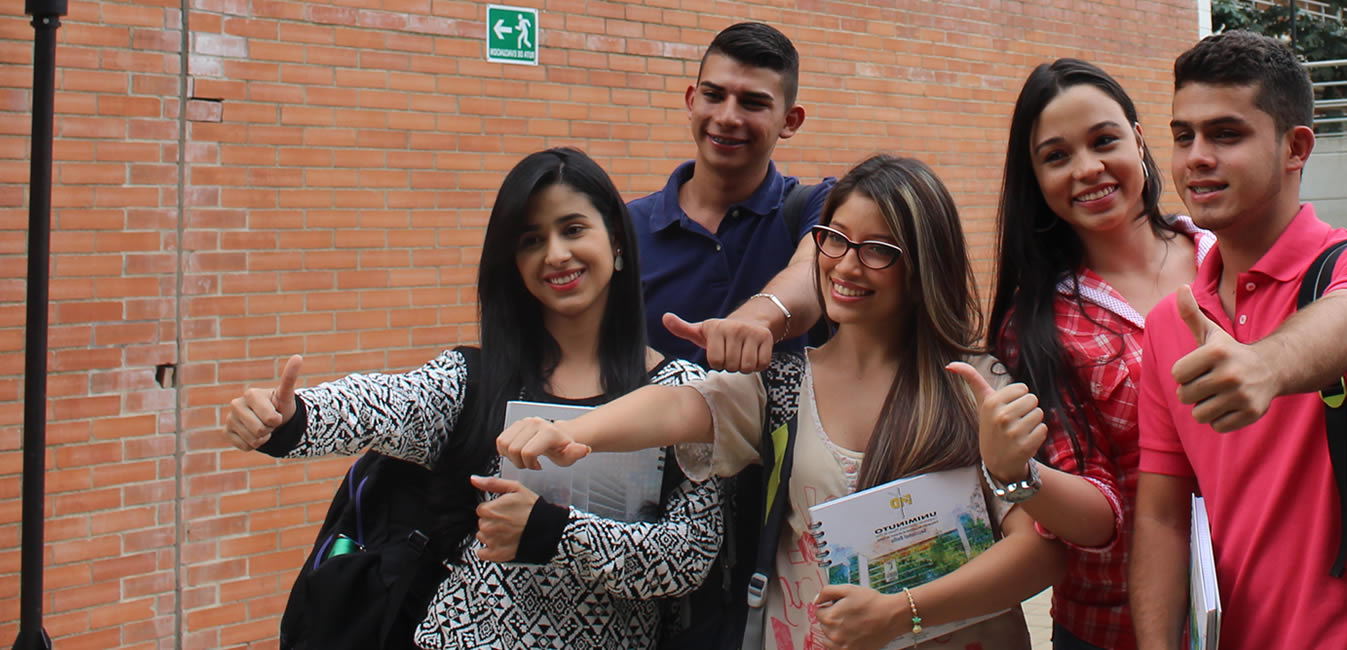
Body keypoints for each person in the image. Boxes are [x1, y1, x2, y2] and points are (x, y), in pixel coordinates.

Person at [499, 154, 1061, 650]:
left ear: (923, 263)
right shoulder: (786, 384)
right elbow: (677, 408)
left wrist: (900, 614)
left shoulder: (972, 384)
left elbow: (1038, 551)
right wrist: (573, 432)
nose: (844, 265)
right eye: (834, 239)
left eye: (877, 250)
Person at [222, 148, 724, 648]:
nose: (555, 255)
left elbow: (687, 557)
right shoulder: (476, 380)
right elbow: (383, 404)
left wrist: (554, 532)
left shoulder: (683, 397)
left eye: (573, 230)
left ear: (615, 237)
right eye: (532, 240)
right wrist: (290, 418)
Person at [1127, 31, 1347, 649]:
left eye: (1226, 134)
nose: (1195, 157)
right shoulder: (1169, 324)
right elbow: (1160, 515)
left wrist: (1264, 365)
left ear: (1296, 147)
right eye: (1184, 135)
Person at [978, 57, 1214, 650]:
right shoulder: (1034, 324)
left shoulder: (1227, 253)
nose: (1087, 169)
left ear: (1138, 138)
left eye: (1104, 141)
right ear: (1034, 177)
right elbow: (1100, 519)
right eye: (1056, 156)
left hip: (1274, 604)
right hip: (1115, 630)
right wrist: (1018, 475)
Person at [627, 22, 835, 372]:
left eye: (753, 103)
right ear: (692, 101)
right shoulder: (625, 225)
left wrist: (758, 317)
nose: (727, 117)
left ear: (790, 121)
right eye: (714, 95)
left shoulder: (818, 206)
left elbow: (811, 271)